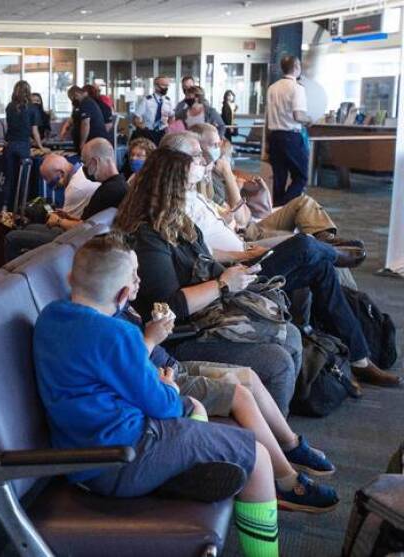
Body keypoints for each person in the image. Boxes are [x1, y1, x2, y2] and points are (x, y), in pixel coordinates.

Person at [41, 231, 339, 514]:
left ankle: (196, 465)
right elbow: (164, 406)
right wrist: (169, 387)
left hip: (85, 458)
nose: (138, 281)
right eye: (134, 277)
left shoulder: (50, 317)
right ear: (122, 295)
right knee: (257, 457)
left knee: (210, 405)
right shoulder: (118, 335)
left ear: (71, 279)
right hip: (126, 455)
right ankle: (269, 481)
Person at [160, 132, 400, 388]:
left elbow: (236, 220)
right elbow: (200, 255)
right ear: (178, 162)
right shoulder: (173, 206)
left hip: (244, 254)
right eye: (197, 156)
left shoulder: (193, 194)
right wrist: (242, 255)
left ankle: (359, 360)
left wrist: (243, 248)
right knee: (305, 244)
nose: (204, 159)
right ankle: (332, 251)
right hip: (232, 276)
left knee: (320, 267)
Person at [114, 147, 302, 413]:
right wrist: (223, 284)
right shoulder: (147, 237)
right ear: (169, 189)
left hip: (211, 314)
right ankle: (271, 441)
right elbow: (168, 307)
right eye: (188, 187)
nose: (192, 194)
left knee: (290, 334)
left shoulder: (179, 223)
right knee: (278, 361)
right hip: (181, 335)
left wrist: (237, 267)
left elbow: (203, 260)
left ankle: (274, 427)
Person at [190, 123, 363, 252]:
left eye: (219, 144)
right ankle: (328, 247)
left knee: (304, 202)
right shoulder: (199, 178)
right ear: (198, 146)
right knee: (313, 247)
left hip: (254, 225)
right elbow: (241, 220)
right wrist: (229, 175)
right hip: (246, 234)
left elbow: (246, 214)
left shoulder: (214, 171)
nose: (218, 150)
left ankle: (326, 238)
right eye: (213, 145)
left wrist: (235, 182)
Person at [3, 154, 100, 261]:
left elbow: (69, 226)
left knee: (11, 237)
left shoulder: (74, 188)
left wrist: (57, 220)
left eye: (49, 179)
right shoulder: (81, 171)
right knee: (29, 227)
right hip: (81, 230)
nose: (49, 184)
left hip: (70, 239)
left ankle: (17, 272)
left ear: (61, 173)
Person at [266, 55, 310, 206]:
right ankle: (284, 206)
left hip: (274, 137)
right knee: (301, 177)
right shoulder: (297, 88)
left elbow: (268, 117)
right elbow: (298, 115)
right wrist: (309, 120)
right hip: (291, 137)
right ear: (297, 66)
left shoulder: (272, 88)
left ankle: (277, 210)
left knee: (279, 179)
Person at [4, 80, 44, 210]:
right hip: (23, 146)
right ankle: (21, 208)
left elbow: (9, 127)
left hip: (10, 146)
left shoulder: (9, 107)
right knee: (24, 179)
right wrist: (41, 147)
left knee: (9, 178)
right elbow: (34, 131)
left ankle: (5, 207)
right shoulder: (32, 108)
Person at [80, 138, 128, 221]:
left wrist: (59, 221)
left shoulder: (108, 192)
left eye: (85, 163)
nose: (84, 168)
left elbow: (84, 227)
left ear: (95, 162)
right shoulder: (122, 185)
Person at [68, 85, 110, 153]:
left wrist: (82, 143)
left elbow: (85, 124)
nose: (73, 101)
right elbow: (74, 119)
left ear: (76, 94)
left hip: (92, 142)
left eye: (72, 99)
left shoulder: (86, 103)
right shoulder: (83, 103)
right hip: (91, 142)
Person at [132, 76, 173, 144]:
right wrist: (143, 127)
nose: (166, 88)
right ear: (156, 86)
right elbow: (136, 118)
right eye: (163, 85)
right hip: (149, 132)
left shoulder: (168, 101)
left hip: (163, 132)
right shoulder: (147, 100)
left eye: (167, 85)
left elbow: (172, 116)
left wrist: (169, 128)